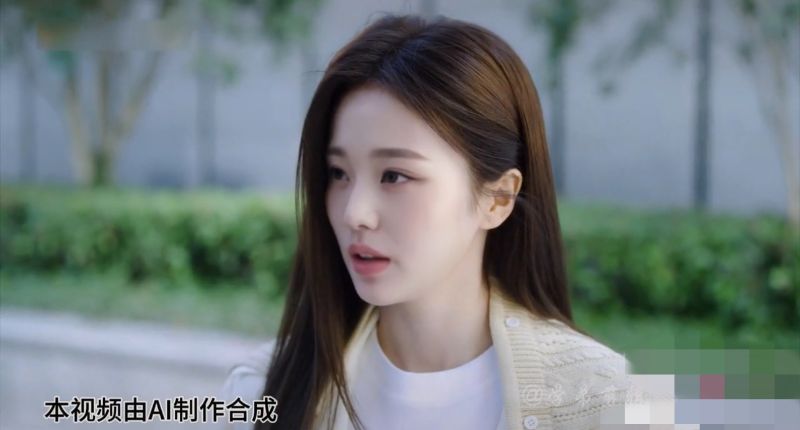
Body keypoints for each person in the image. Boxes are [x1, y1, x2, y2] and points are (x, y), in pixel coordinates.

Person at [221, 13, 632, 430]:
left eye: (394, 176)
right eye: (338, 173)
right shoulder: (261, 391)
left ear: (498, 198)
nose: (354, 213)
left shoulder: (603, 398)